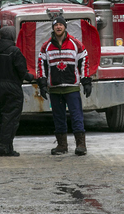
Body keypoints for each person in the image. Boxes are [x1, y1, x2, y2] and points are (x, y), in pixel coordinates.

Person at [36, 16, 92, 156]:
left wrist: (86, 81)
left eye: (61, 25)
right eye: (56, 25)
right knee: (58, 117)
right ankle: (62, 145)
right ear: (53, 28)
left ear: (65, 27)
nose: (59, 27)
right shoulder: (46, 46)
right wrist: (42, 83)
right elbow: (41, 65)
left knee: (76, 116)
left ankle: (81, 144)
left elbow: (84, 61)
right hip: (54, 89)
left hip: (71, 87)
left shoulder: (75, 44)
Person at [0, 26, 34, 157]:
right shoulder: (15, 51)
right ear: (11, 36)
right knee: (10, 118)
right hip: (12, 87)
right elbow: (21, 71)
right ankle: (6, 147)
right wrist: (31, 77)